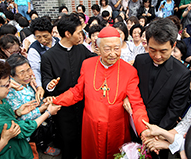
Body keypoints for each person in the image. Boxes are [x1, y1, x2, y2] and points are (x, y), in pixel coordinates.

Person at [48, 26, 150, 159]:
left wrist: (144, 130)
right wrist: (56, 100)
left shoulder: (129, 71)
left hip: (117, 128)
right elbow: (77, 92)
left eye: (116, 48)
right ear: (97, 48)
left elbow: (137, 104)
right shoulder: (87, 64)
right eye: (107, 49)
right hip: (91, 126)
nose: (113, 53)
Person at [133, 18, 191, 159]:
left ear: (173, 45)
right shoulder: (140, 60)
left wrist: (154, 135)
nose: (157, 56)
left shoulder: (182, 73)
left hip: (159, 134)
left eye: (163, 51)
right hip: (135, 126)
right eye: (152, 50)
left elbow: (174, 110)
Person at [41, 13, 96, 159]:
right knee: (67, 140)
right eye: (79, 32)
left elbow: (95, 61)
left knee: (84, 138)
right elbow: (46, 80)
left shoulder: (82, 49)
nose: (82, 35)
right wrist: (50, 85)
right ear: (67, 33)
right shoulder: (49, 56)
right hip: (63, 108)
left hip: (84, 104)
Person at [0, 57, 61, 159]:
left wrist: (17, 113)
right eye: (6, 85)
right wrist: (47, 112)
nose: (10, 86)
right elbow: (21, 131)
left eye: (28, 69)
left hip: (21, 148)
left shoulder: (0, 98)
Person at [27, 17, 60, 88]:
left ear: (51, 32)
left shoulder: (59, 42)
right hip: (46, 82)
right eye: (38, 37)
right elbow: (36, 69)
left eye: (45, 36)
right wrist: (39, 87)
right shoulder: (34, 49)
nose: (43, 40)